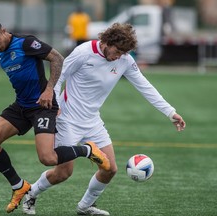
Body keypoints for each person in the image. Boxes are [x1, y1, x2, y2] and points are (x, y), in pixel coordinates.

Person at [23, 23, 186, 215]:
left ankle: (84, 207)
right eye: (117, 51)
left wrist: (170, 112)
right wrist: (55, 104)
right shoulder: (83, 52)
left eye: (123, 53)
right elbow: (59, 76)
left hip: (93, 121)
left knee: (110, 168)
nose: (118, 56)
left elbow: (144, 86)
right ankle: (30, 193)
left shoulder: (125, 59)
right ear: (107, 41)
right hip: (67, 120)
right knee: (63, 173)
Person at [0, 19, 110, 213]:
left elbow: (57, 58)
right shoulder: (0, 51)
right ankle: (18, 186)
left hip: (43, 105)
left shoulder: (25, 43)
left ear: (4, 31)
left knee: (48, 158)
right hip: (21, 106)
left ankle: (87, 150)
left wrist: (49, 90)